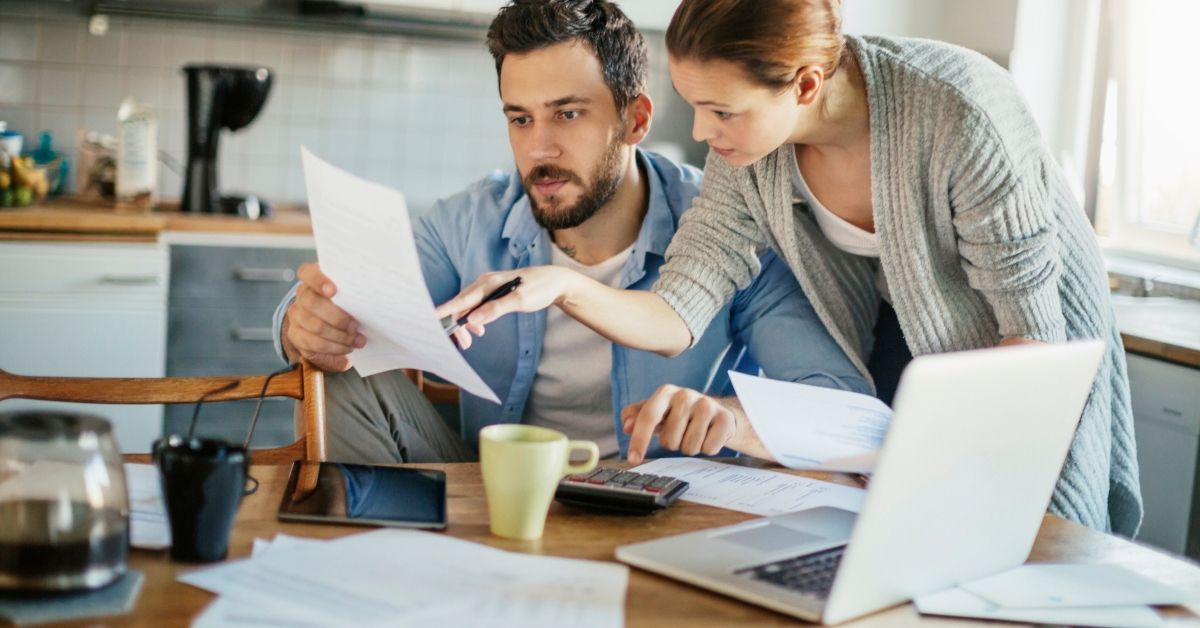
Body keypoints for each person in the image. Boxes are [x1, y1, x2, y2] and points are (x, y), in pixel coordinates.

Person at [436, 0, 1142, 536]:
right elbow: (679, 308)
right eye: (695, 107)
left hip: (1017, 352)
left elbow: (1032, 349)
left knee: (1020, 542)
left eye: (720, 111)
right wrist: (564, 286)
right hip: (898, 348)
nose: (703, 136)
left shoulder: (958, 114)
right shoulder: (747, 156)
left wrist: (941, 459)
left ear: (805, 86)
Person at [274, 0, 868, 466]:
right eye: (520, 118)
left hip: (657, 506)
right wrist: (304, 324)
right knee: (339, 375)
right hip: (490, 493)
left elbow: (839, 407)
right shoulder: (467, 220)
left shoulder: (729, 227)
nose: (539, 148)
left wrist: (728, 418)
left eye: (568, 113)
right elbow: (341, 308)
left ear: (635, 119)